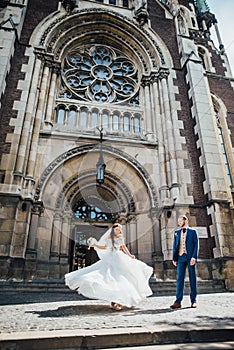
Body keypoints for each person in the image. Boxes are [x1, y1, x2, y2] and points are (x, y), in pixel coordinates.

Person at [65, 223, 153, 311]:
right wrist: (95, 245)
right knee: (110, 278)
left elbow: (123, 247)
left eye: (119, 229)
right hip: (110, 257)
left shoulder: (120, 238)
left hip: (119, 258)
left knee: (121, 278)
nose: (118, 231)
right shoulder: (109, 238)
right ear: (113, 230)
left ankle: (119, 302)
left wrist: (130, 255)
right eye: (117, 229)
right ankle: (113, 300)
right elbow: (105, 247)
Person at [170, 215, 199, 309]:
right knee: (179, 280)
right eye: (178, 221)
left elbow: (196, 245)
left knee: (192, 279)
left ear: (185, 221)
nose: (178, 222)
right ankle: (178, 301)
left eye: (180, 221)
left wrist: (194, 257)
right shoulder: (177, 232)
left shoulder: (193, 232)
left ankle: (193, 301)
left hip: (190, 258)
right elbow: (175, 246)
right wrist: (174, 258)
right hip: (180, 257)